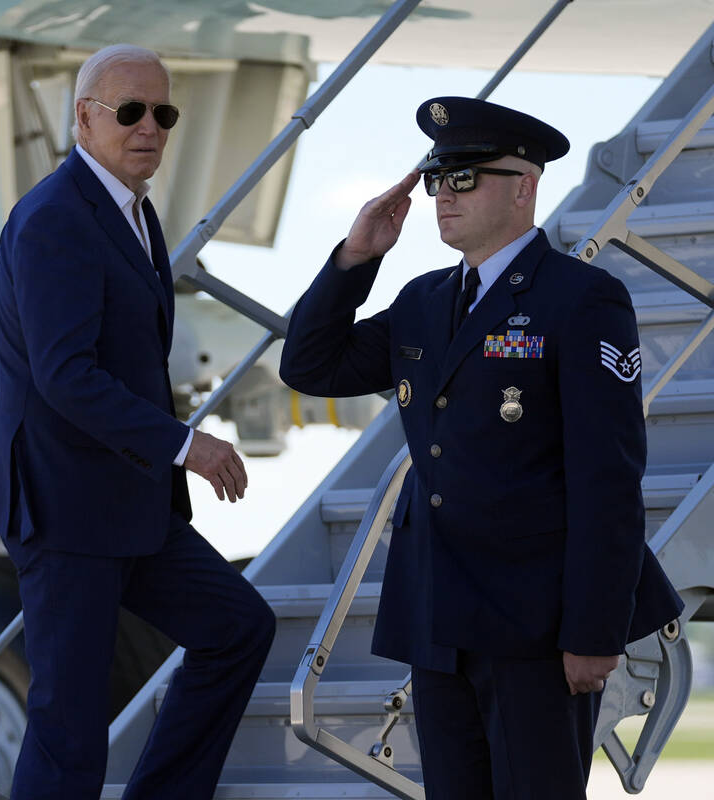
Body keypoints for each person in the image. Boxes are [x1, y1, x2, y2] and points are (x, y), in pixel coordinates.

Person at [279, 96, 683, 799]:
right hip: (439, 615)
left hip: (536, 625)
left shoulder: (581, 299)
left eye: (466, 178)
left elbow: (608, 476)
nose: (444, 196)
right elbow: (311, 366)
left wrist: (595, 628)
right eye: (438, 179)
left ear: (524, 186)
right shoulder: (424, 300)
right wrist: (355, 257)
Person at [0, 44, 276, 800]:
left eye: (164, 113)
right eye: (131, 111)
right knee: (69, 730)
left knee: (238, 628)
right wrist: (188, 445)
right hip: (66, 508)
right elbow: (65, 374)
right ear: (83, 118)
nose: (151, 127)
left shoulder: (131, 214)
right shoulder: (55, 217)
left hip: (130, 508)